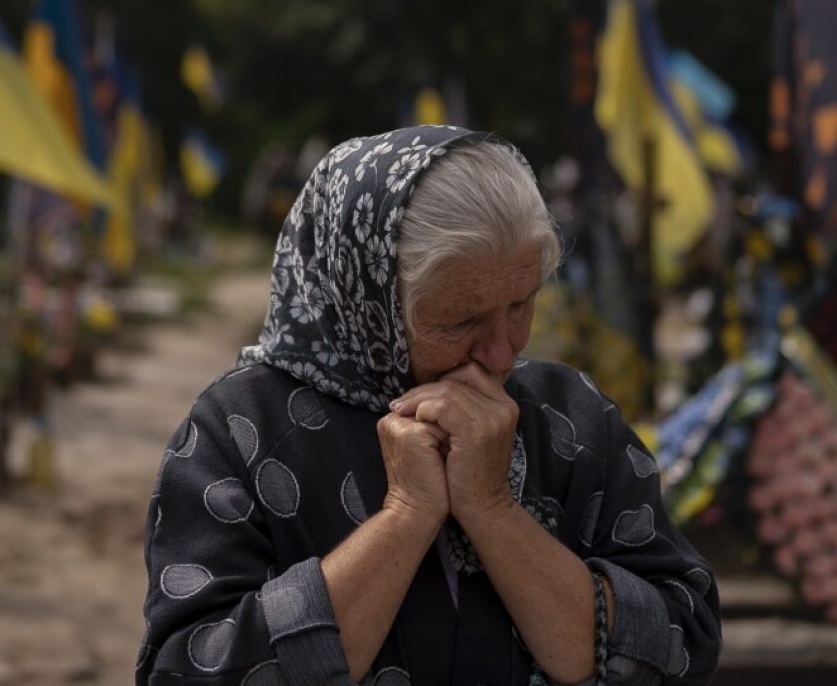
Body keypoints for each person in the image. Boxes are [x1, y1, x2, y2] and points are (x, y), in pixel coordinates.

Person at [135, 126, 722, 685]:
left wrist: (492, 508)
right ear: (368, 303)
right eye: (462, 320)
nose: (500, 353)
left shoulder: (571, 418)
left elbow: (680, 643)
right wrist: (407, 513)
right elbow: (192, 667)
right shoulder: (240, 430)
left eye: (521, 305)